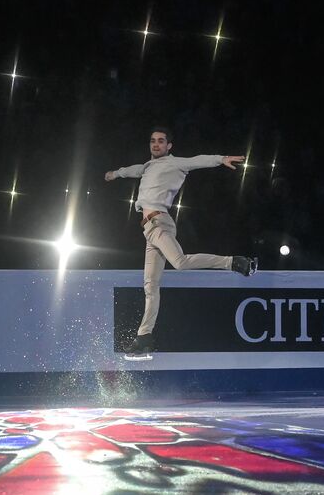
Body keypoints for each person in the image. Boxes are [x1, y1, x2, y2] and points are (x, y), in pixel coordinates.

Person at [104, 128, 257, 358]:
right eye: (153, 141)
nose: (156, 144)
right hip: (149, 231)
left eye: (161, 141)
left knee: (180, 262)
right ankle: (144, 338)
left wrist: (221, 159)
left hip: (159, 223)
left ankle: (235, 263)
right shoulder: (147, 166)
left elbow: (198, 161)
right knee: (150, 286)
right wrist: (116, 173)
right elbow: (133, 170)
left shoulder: (175, 164)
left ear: (169, 146)